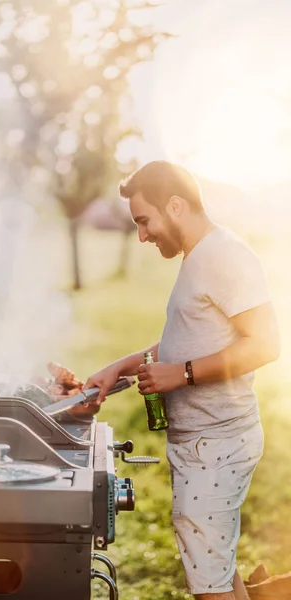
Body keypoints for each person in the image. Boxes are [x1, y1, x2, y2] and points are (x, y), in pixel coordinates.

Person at [83, 161, 280, 600]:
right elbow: (186, 341)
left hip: (217, 444)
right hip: (204, 446)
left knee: (209, 587)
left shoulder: (224, 254)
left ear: (175, 205)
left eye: (144, 220)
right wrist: (121, 366)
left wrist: (182, 375)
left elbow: (265, 344)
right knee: (216, 570)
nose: (143, 235)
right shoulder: (199, 257)